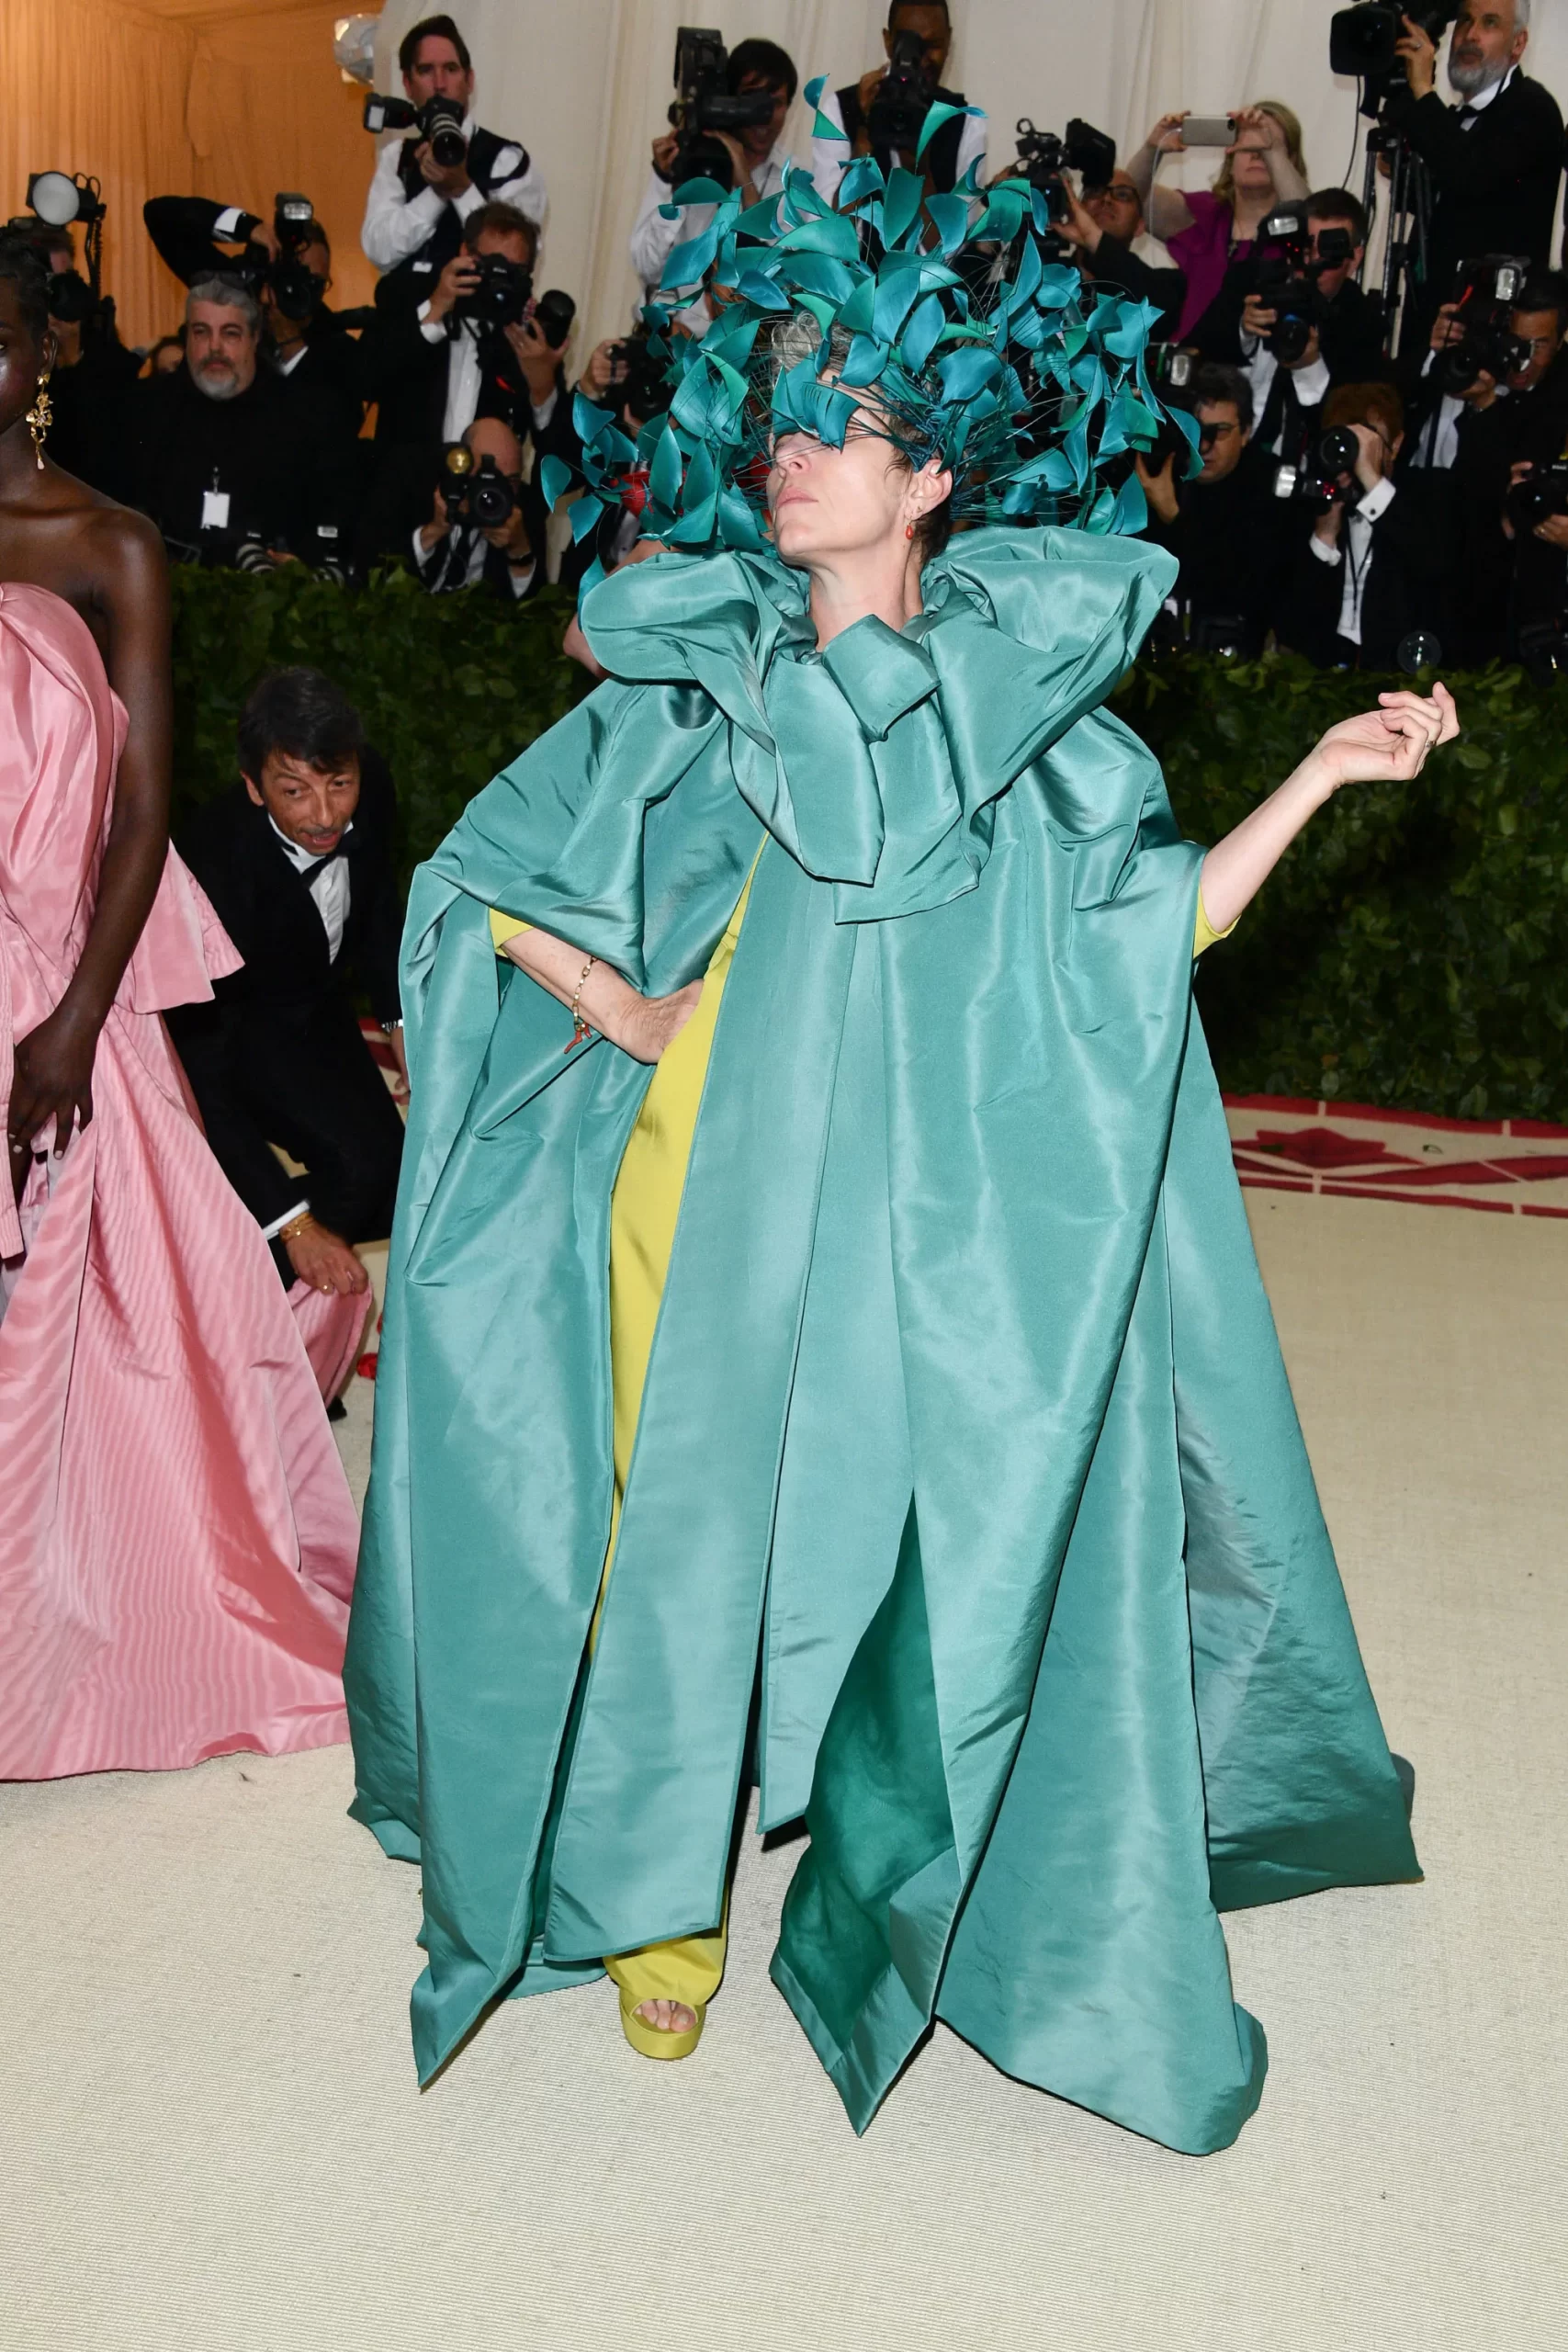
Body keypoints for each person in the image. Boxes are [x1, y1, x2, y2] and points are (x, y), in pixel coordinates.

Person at [344, 161, 1433, 2154]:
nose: (788, 456)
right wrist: (624, 1007)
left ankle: (875, 1886)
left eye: (838, 425)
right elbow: (485, 877)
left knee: (886, 1545)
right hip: (696, 1172)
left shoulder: (1020, 712)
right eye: (779, 418)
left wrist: (1310, 779)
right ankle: (653, 1908)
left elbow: (1139, 933)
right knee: (670, 1527)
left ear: (932, 477)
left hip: (904, 1213)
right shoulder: (706, 665)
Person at [0, 234, 359, 1777]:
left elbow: (142, 807)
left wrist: (77, 1018)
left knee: (83, 1318)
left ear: (43, 362)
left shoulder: (110, 541)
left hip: (51, 980)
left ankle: (52, 1625)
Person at [166, 669, 403, 1400]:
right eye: (295, 789)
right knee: (317, 1194)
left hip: (317, 1001)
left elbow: (377, 912)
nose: (324, 813)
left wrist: (397, 1021)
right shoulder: (208, 864)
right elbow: (204, 1071)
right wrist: (290, 1220)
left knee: (387, 1175)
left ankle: (235, 1261)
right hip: (230, 1025)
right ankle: (215, 1300)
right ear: (253, 786)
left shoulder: (372, 790)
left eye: (339, 783)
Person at [125, 277, 347, 572]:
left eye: (230, 334)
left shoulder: (302, 415)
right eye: (201, 333)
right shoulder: (150, 409)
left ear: (255, 338)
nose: (214, 348)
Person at [1383, 1, 1562, 343]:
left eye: (1490, 23)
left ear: (1518, 44)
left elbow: (1469, 175)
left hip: (1490, 330)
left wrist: (1422, 90)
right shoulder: (1449, 120)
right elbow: (1435, 203)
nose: (1470, 35)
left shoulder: (1532, 108)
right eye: (1464, 21)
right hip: (1427, 321)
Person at [142, 196, 369, 447]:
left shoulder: (336, 345)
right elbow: (160, 215)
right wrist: (246, 227)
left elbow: (338, 429)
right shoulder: (235, 296)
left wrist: (293, 346)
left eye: (315, 283)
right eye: (292, 276)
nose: (301, 290)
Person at [1278, 382, 1454, 668]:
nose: (1353, 454)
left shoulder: (1428, 493)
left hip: (1403, 674)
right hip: (1324, 676)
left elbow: (1433, 563)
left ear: (1395, 445)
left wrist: (1373, 482)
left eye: (1366, 442)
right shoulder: (1314, 501)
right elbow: (1291, 627)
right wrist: (1324, 537)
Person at [361, 13, 547, 275]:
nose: (439, 84)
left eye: (450, 69)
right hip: (407, 313)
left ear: (469, 80)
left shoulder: (507, 159)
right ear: (407, 84)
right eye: (426, 71)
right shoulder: (397, 157)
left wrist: (461, 189)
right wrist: (435, 194)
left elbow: (524, 254)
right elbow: (379, 250)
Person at [1128, 103, 1310, 343]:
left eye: (1267, 142)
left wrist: (1273, 152)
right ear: (1230, 160)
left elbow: (1310, 222)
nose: (1256, 152)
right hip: (1191, 367)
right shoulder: (1204, 214)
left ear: (1291, 160)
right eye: (1246, 141)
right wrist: (1153, 148)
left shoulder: (1293, 233)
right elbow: (1126, 200)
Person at [631, 40, 797, 299]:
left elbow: (779, 282)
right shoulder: (691, 162)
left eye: (775, 103)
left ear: (789, 107)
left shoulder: (795, 181)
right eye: (752, 100)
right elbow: (647, 267)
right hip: (676, 332)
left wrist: (745, 184)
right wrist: (668, 180)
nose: (763, 116)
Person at [1139, 364, 1281, 653]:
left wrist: (1173, 516)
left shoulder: (1269, 485)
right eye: (1195, 430)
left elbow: (1237, 587)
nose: (1204, 445)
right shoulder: (1165, 467)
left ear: (1246, 432)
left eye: (1220, 431)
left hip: (1231, 654)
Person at [811, 1, 987, 202]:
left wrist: (918, 169)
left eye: (933, 46)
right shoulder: (842, 109)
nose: (920, 60)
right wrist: (862, 141)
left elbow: (961, 231)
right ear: (888, 41)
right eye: (908, 45)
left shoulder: (966, 121)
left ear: (949, 41)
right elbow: (823, 227)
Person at [408, 413, 542, 596]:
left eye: (509, 482)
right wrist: (433, 531)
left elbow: (537, 609)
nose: (495, 492)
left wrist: (519, 550)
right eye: (486, 478)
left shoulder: (526, 508)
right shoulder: (422, 486)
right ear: (461, 465)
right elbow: (378, 572)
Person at [1055, 172, 1185, 339]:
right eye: (1095, 191)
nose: (1106, 199)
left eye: (1123, 195)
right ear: (1074, 210)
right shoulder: (1044, 276)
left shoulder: (1166, 285)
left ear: (1139, 226)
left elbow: (1150, 315)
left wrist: (1094, 238)